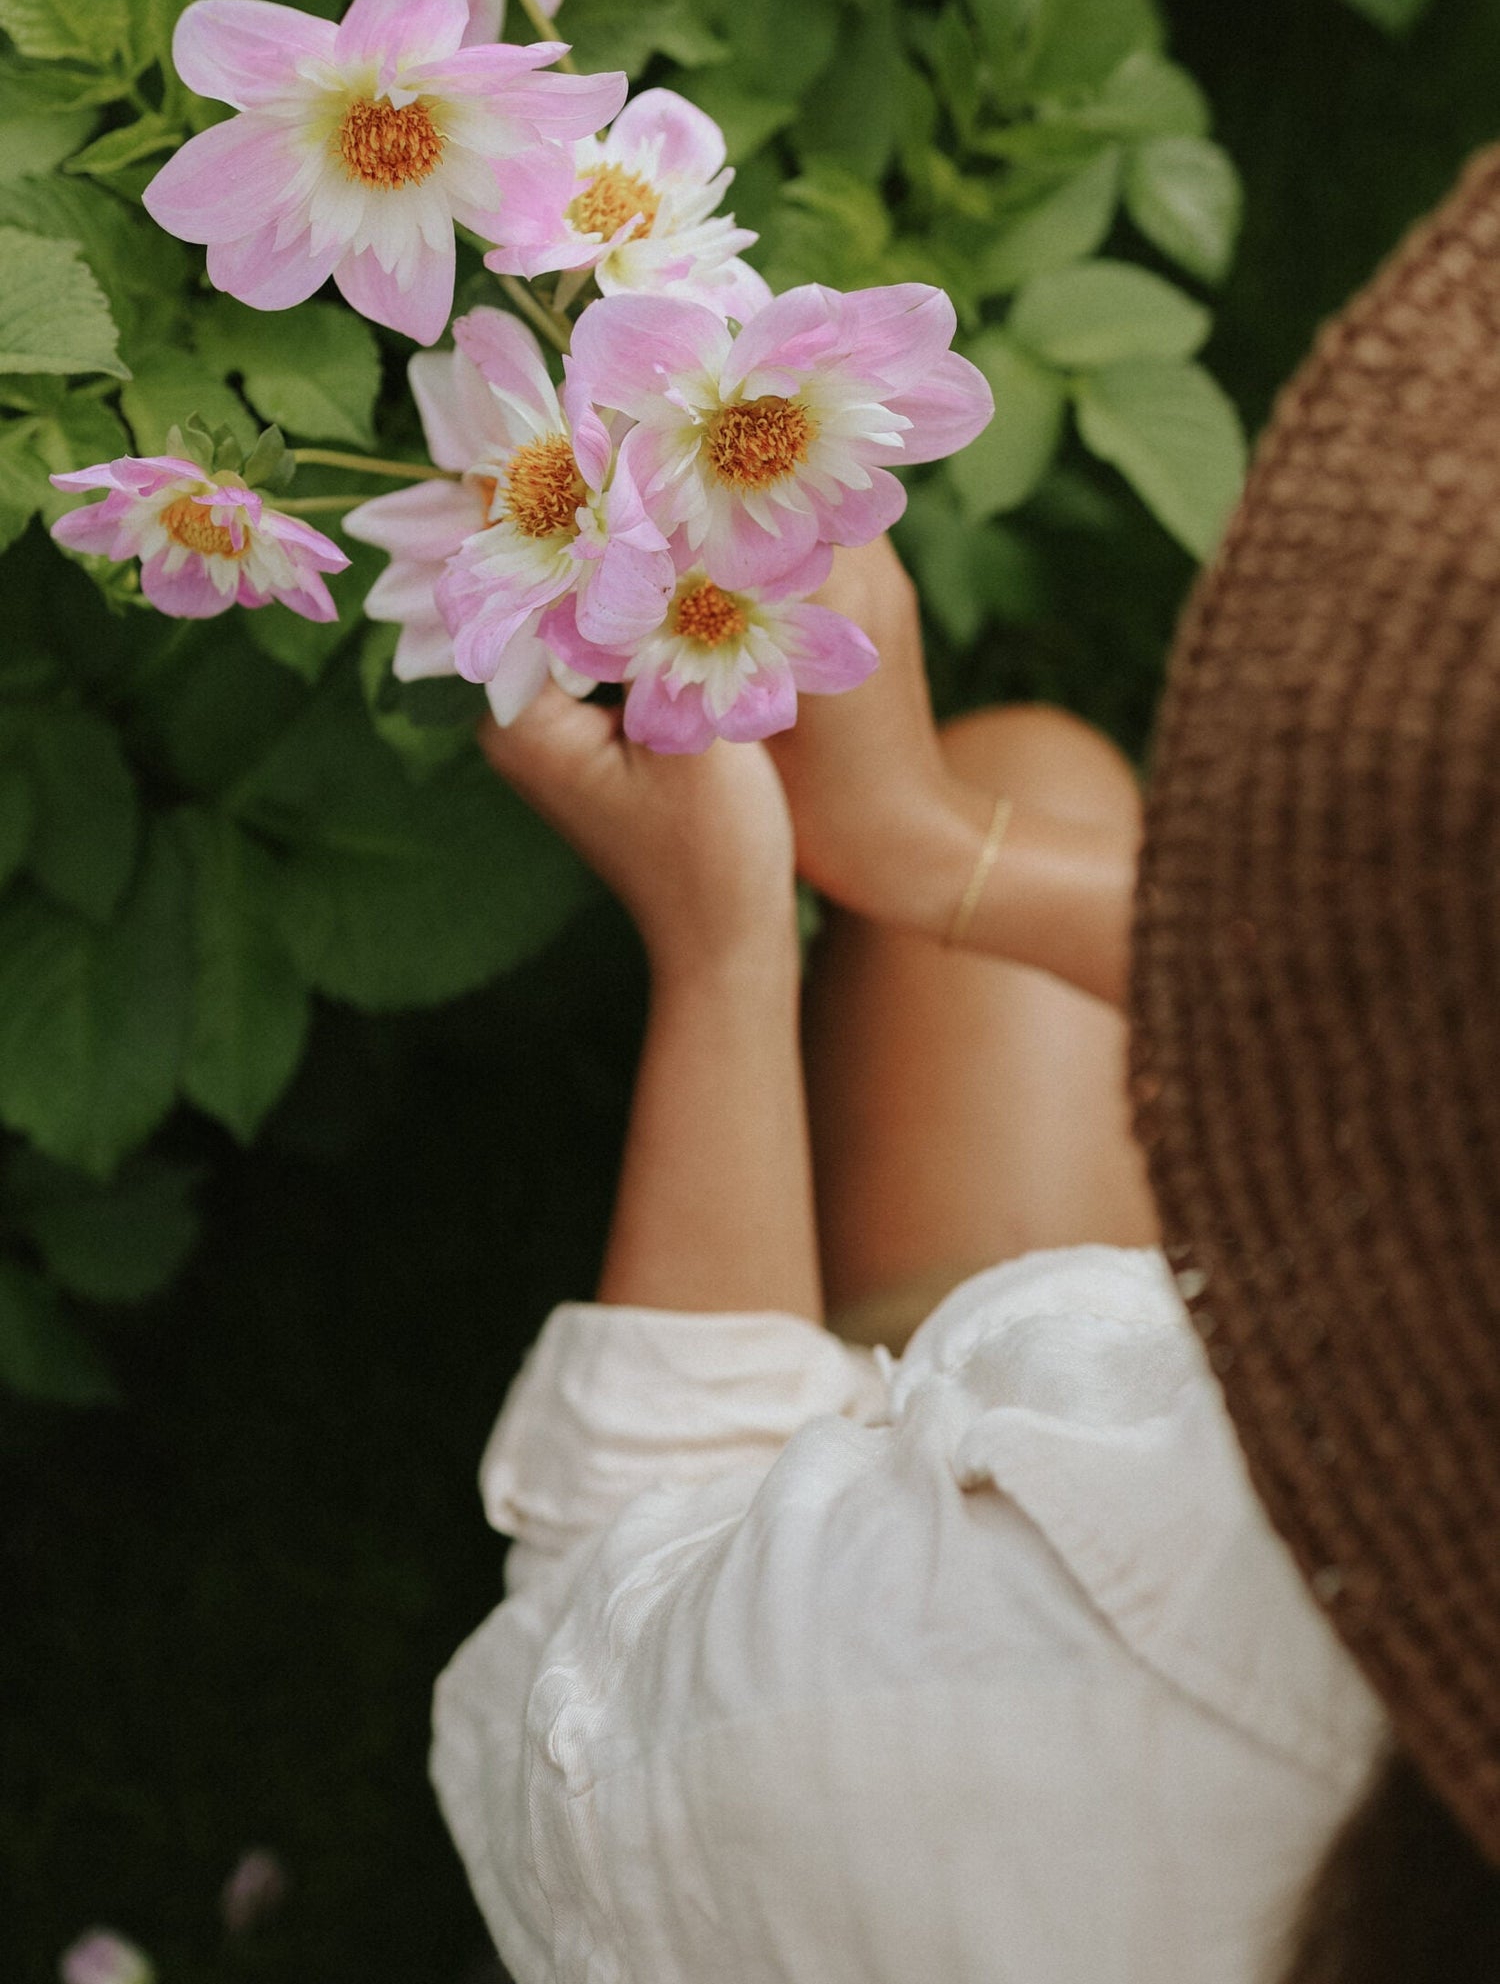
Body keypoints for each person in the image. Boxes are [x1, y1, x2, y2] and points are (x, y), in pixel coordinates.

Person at [430, 152, 1500, 1983]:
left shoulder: (915, 1738)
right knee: (1039, 789)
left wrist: (726, 958)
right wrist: (934, 851)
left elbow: (582, 1660)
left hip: (813, 1711)